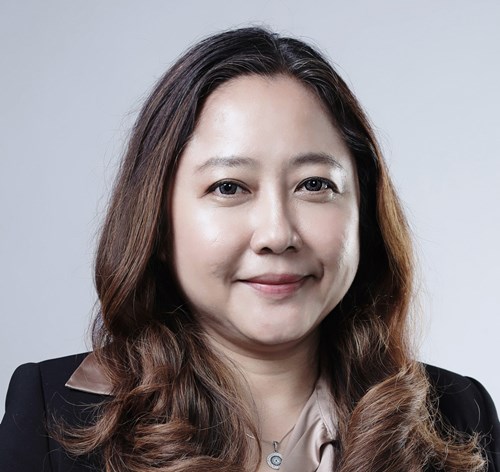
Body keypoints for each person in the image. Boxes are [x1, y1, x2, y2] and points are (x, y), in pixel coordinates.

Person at [0, 27, 498, 472]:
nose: (277, 235)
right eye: (229, 187)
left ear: (363, 211)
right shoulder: (49, 411)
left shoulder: (462, 413)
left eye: (314, 184)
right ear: (157, 218)